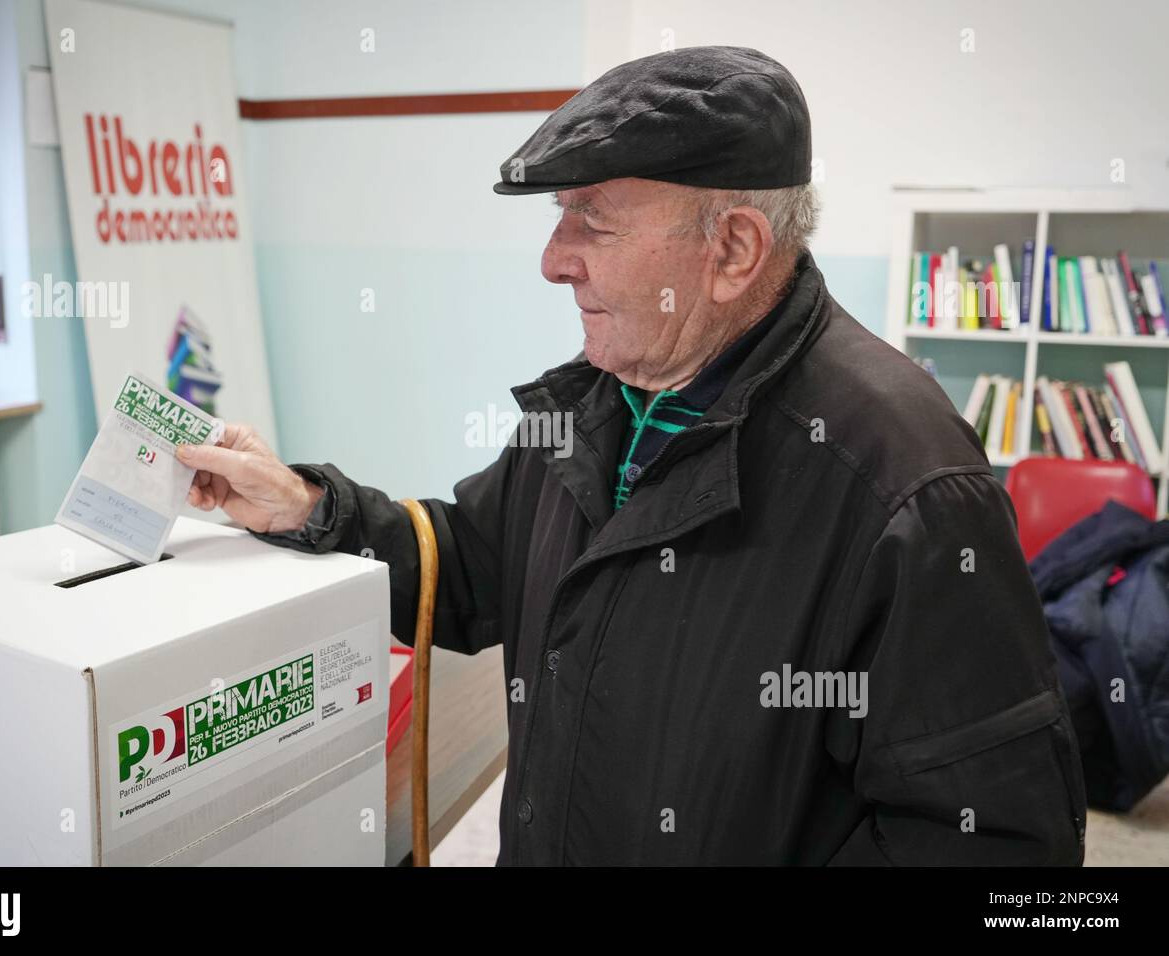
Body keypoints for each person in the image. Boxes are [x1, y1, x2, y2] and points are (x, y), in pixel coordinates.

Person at [177, 46, 1086, 865]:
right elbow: (474, 564)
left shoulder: (907, 484)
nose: (552, 259)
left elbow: (999, 847)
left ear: (732, 249)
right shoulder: (594, 398)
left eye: (592, 220)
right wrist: (303, 503)